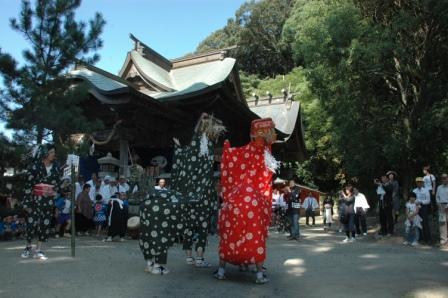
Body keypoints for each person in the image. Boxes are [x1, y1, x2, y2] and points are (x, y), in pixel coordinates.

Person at [215, 118, 278, 284]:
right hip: (256, 201)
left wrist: (227, 150)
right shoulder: (265, 153)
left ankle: (221, 271)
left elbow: (230, 161)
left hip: (236, 199)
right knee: (255, 236)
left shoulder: (244, 153)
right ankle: (258, 274)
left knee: (230, 234)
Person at [169, 114, 224, 268]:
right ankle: (199, 258)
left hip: (188, 193)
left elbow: (182, 157)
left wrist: (178, 147)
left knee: (188, 225)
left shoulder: (193, 143)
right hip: (204, 193)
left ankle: (189, 257)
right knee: (202, 226)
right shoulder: (210, 146)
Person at [21, 144, 62, 260]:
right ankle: (28, 247)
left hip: (48, 201)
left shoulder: (56, 167)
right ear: (45, 153)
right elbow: (28, 185)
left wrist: (55, 192)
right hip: (34, 200)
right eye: (52, 152)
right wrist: (27, 203)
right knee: (31, 224)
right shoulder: (35, 166)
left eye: (54, 152)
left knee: (44, 224)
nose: (54, 154)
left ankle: (38, 249)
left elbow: (57, 185)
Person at [414, 177, 431, 244]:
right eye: (418, 182)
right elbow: (412, 199)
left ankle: (428, 239)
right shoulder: (414, 191)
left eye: (420, 182)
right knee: (418, 223)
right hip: (416, 207)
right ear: (416, 183)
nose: (419, 183)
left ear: (422, 183)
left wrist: (420, 201)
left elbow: (428, 201)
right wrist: (415, 202)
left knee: (425, 223)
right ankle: (420, 238)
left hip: (424, 207)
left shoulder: (426, 190)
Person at [435, 173, 448, 246]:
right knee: (442, 224)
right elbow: (437, 197)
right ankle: (443, 240)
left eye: (445, 178)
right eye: (443, 178)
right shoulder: (439, 187)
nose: (444, 179)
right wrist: (438, 204)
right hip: (441, 206)